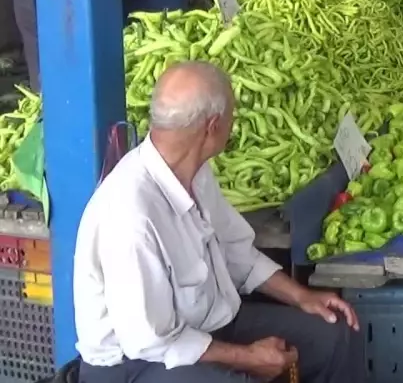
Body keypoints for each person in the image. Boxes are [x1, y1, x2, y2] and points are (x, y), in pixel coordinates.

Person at [74, 62, 366, 383]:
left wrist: (302, 297)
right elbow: (152, 341)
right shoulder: (131, 216)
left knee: (335, 334)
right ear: (213, 126)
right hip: (135, 364)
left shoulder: (196, 173)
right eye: (232, 116)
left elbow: (236, 252)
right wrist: (248, 358)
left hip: (209, 325)